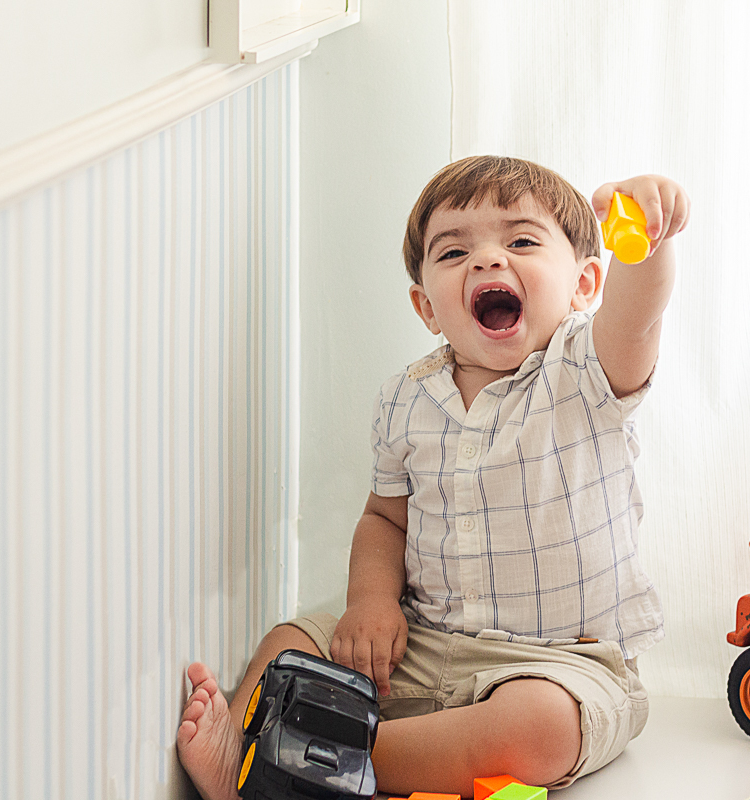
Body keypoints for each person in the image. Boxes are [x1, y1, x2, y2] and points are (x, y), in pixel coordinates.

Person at [177, 155, 689, 799]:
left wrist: (645, 241)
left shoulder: (584, 372)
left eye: (521, 242)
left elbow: (638, 314)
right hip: (420, 646)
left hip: (558, 662)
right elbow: (385, 519)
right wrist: (371, 603)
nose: (487, 260)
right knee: (290, 642)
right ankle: (244, 750)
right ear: (426, 306)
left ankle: (315, 762)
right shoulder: (405, 398)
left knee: (540, 728)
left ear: (585, 283)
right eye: (453, 253)